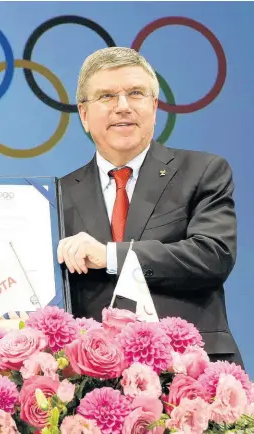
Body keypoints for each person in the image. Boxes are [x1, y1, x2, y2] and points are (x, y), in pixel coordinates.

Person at [57, 47, 243, 365]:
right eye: (106, 96)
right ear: (84, 115)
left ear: (154, 107)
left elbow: (213, 255)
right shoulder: (56, 196)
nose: (123, 107)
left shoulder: (203, 171)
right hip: (92, 386)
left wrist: (112, 256)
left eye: (136, 93)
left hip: (193, 370)